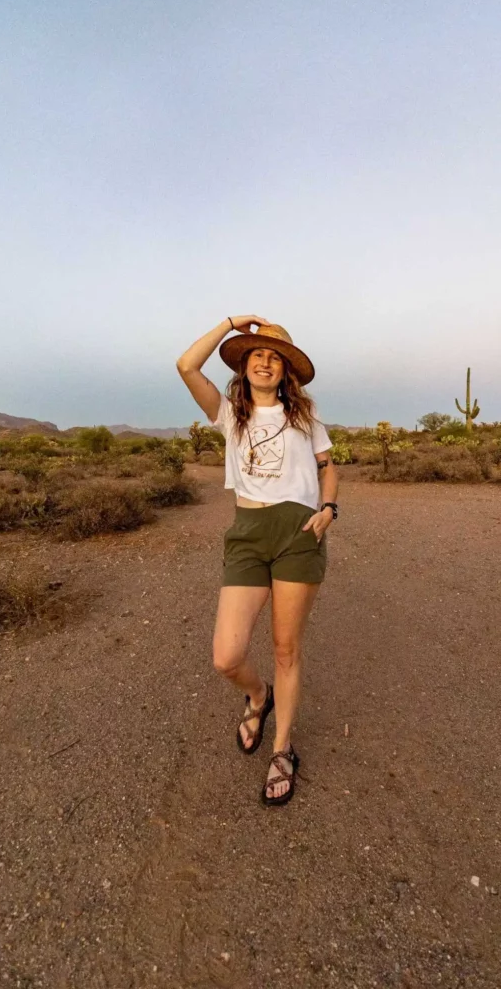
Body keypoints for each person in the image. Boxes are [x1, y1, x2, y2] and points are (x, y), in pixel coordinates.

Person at [177, 316, 339, 806]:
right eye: (257, 354)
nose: (266, 362)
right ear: (245, 366)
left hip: (298, 533)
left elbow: (329, 470)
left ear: (286, 370)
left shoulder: (307, 420)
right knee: (226, 656)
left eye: (275, 356)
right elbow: (186, 366)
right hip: (248, 533)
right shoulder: (230, 415)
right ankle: (258, 695)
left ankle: (283, 748)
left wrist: (328, 508)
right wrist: (229, 322)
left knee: (286, 648)